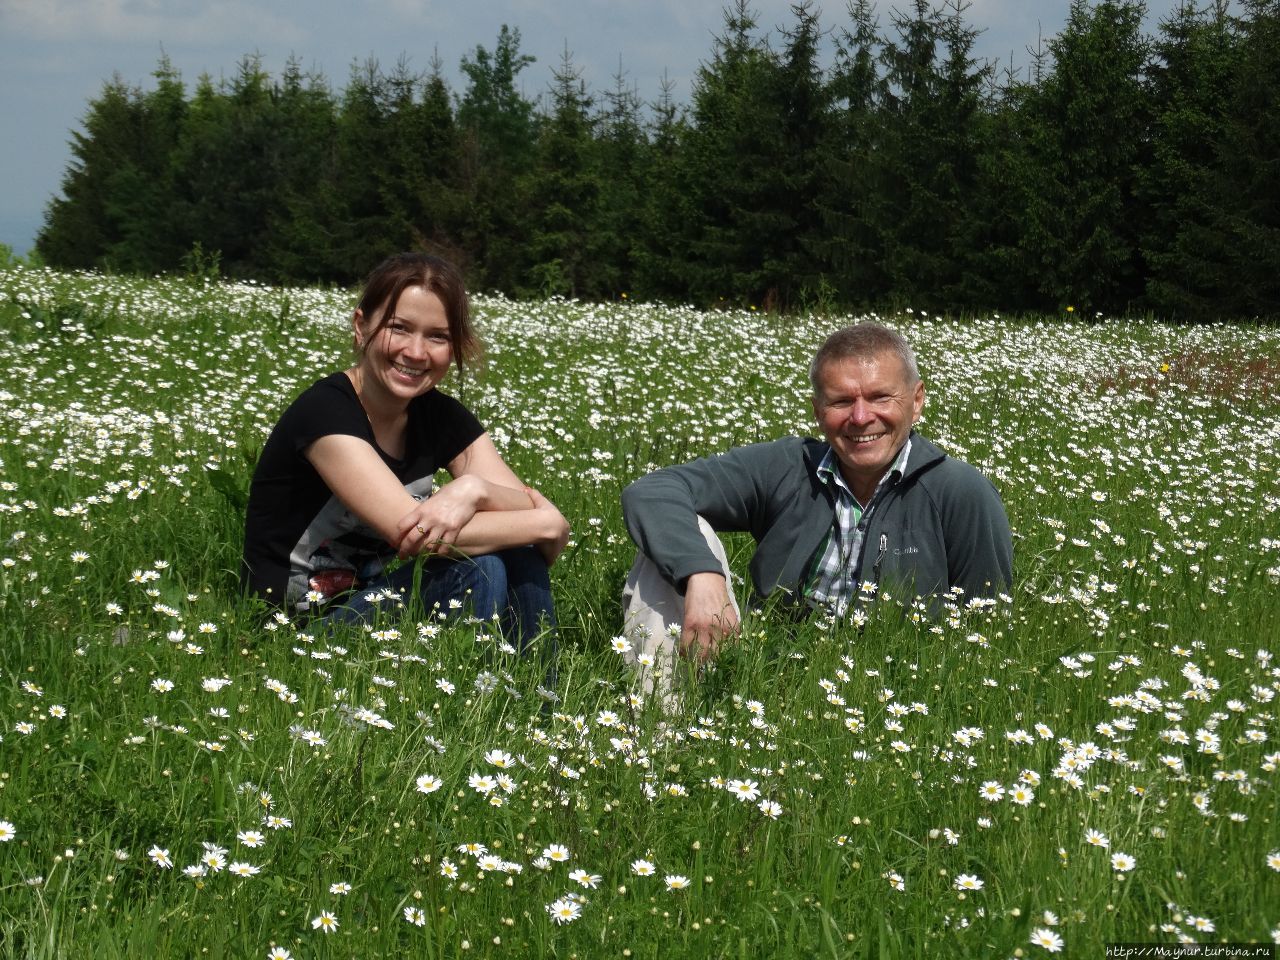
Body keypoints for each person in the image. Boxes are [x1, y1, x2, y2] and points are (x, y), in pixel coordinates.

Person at [621, 323, 1012, 697]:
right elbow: (652, 491)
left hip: (895, 700)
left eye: (880, 397)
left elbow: (987, 630)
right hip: (760, 677)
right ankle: (662, 740)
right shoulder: (787, 467)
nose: (860, 418)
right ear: (817, 409)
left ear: (916, 400)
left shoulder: (960, 493)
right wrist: (701, 575)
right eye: (841, 401)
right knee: (673, 544)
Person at [242, 253, 569, 650]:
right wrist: (548, 524)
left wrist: (476, 491)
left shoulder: (439, 416)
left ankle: (535, 698)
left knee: (513, 551)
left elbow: (536, 536)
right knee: (480, 564)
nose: (416, 352)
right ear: (361, 327)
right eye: (399, 328)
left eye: (437, 336)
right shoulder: (326, 412)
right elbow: (420, 538)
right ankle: (471, 693)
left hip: (379, 612)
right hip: (297, 634)